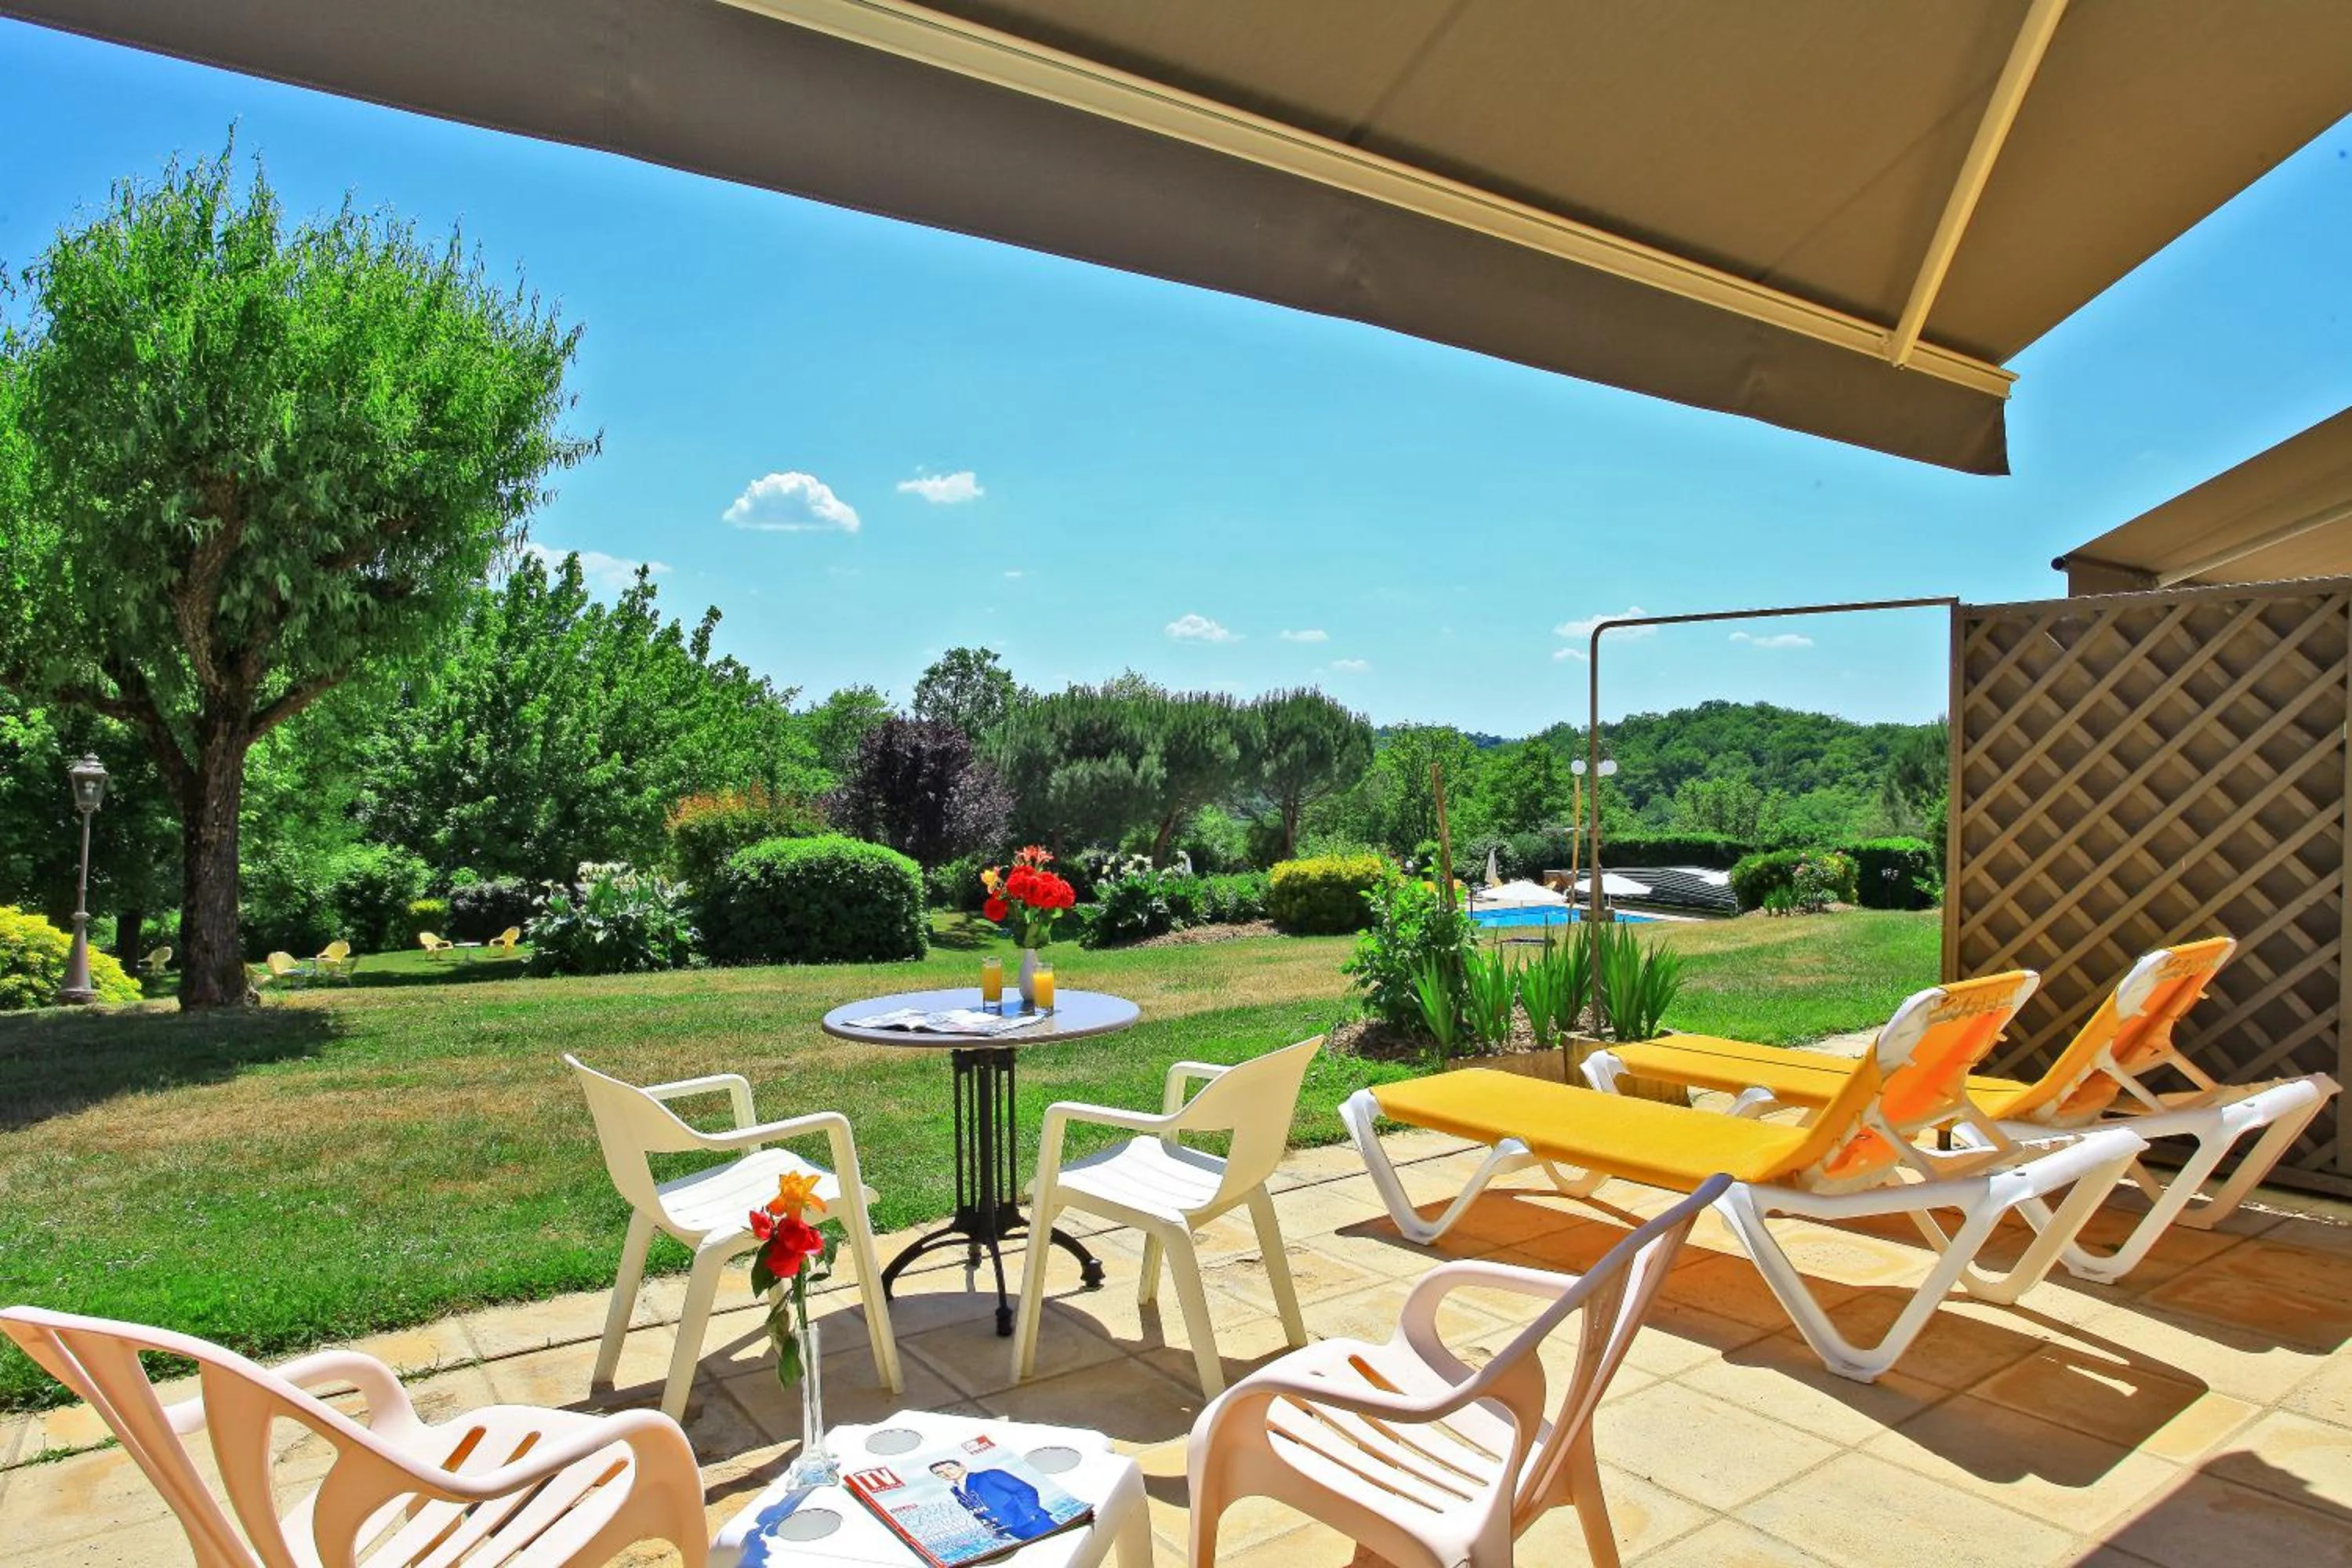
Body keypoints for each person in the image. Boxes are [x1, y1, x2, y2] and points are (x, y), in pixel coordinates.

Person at [929, 1458, 1057, 1540]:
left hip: (1033, 1522)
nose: (946, 1473)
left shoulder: (989, 1475)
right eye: (939, 1473)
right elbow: (977, 1512)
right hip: (1013, 1530)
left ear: (962, 1466)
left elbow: (1026, 1490)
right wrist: (994, 1531)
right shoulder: (955, 1491)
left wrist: (1030, 1514)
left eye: (949, 1468)